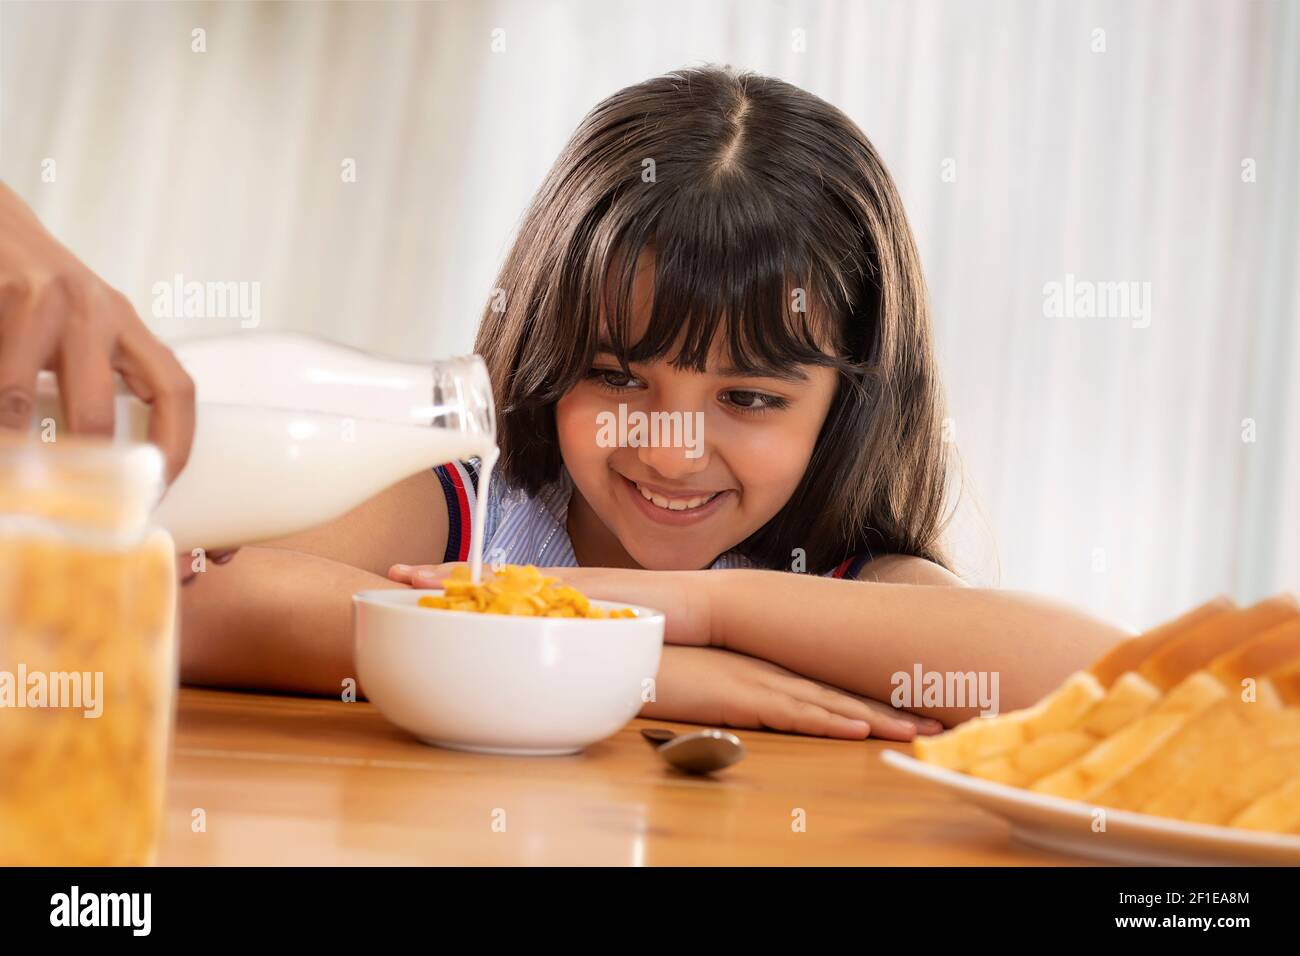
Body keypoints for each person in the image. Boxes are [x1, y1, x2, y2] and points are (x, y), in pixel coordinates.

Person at [180, 65, 1129, 737]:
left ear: (848, 405)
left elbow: (1108, 684)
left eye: (750, 397)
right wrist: (649, 669)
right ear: (548, 351)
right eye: (620, 377)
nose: (672, 452)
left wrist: (702, 610)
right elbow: (204, 606)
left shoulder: (834, 583)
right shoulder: (466, 508)